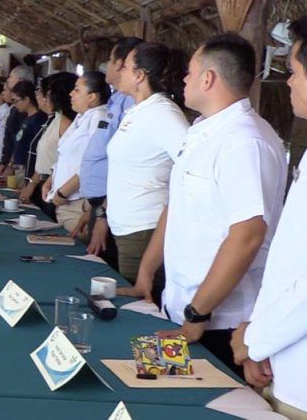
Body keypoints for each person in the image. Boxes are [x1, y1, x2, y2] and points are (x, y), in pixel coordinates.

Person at [119, 35, 287, 378]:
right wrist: (147, 271)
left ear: (208, 79)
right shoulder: (202, 131)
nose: (183, 79)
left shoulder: (244, 141)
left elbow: (248, 235)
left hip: (218, 322)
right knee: (156, 389)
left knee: (197, 397)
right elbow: (176, 206)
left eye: (190, 72)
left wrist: (198, 313)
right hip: (182, 308)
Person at [230, 13, 307, 420]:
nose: (287, 83)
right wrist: (261, 337)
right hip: (288, 354)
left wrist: (256, 339)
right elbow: (292, 257)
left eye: (294, 72)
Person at [106, 42, 190, 286]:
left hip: (145, 230)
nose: (119, 71)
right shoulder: (139, 110)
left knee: (139, 301)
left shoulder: (163, 114)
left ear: (139, 75)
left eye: (125, 67)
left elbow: (191, 165)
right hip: (127, 228)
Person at [79, 37, 144, 267]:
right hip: (100, 202)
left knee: (104, 271)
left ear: (121, 64)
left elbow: (126, 165)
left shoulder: (133, 105)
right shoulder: (117, 99)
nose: (106, 64)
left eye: (110, 59)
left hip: (113, 207)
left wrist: (104, 214)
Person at [42, 72, 109, 232]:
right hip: (64, 199)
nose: (71, 94)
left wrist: (63, 192)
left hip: (77, 201)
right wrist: (50, 181)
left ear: (92, 97)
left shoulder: (99, 118)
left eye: (77, 90)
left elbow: (93, 163)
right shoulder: (82, 116)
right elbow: (65, 155)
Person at [21, 72, 77, 219]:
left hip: (52, 185)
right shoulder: (54, 119)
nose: (40, 97)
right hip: (44, 184)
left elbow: (65, 160)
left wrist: (37, 183)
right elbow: (43, 159)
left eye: (43, 93)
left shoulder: (66, 123)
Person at [0, 80, 46, 174]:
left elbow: (38, 149)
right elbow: (18, 145)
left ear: (27, 99)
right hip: (17, 167)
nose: (14, 104)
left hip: (28, 169)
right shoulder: (25, 118)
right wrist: (10, 165)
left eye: (16, 101)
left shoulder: (38, 120)